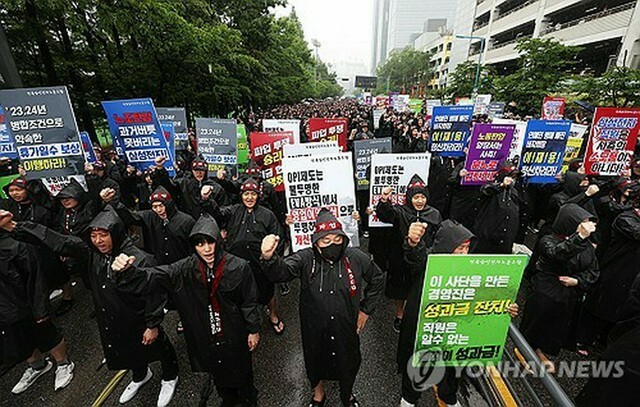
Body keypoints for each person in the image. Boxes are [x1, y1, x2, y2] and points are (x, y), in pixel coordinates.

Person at [2, 208, 179, 406]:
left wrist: (153, 324)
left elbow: (155, 294)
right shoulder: (91, 254)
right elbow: (58, 240)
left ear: (117, 233)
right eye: (93, 235)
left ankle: (170, 376)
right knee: (126, 348)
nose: (98, 240)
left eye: (104, 235)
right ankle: (140, 375)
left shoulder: (141, 258)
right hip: (111, 318)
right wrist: (14, 227)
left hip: (138, 317)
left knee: (158, 347)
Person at [111, 214, 261, 407]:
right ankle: (227, 398)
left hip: (234, 332)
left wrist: (254, 330)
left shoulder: (238, 267)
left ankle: (248, 399)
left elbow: (249, 302)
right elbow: (155, 276)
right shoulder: (185, 268)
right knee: (218, 372)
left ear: (218, 241)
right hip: (206, 334)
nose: (206, 249)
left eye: (210, 242)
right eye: (200, 244)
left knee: (241, 373)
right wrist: (127, 273)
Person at [260, 208, 385, 407]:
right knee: (315, 359)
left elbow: (377, 278)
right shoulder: (305, 258)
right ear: (315, 242)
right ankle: (318, 394)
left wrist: (365, 310)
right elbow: (281, 272)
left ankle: (348, 394)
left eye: (337, 239)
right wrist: (268, 257)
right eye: (325, 241)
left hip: (346, 325)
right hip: (314, 327)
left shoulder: (356, 258)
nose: (332, 245)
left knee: (348, 360)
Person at [397, 220, 519, 407]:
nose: (464, 253)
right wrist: (412, 242)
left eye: (467, 248)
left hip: (455, 329)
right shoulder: (429, 261)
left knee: (453, 365)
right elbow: (415, 256)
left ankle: (448, 396)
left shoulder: (471, 269)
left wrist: (503, 307)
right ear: (445, 246)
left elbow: (485, 295)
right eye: (459, 248)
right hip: (426, 327)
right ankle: (409, 399)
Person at [0, 210, 74, 395]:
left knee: (46, 335)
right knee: (19, 342)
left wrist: (40, 309)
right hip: (4, 310)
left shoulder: (17, 244)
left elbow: (36, 279)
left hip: (24, 304)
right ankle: (37, 366)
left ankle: (64, 363)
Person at [519, 203, 599, 372]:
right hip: (546, 290)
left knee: (552, 327)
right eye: (582, 222)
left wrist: (577, 281)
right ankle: (523, 351)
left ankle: (538, 350)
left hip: (568, 293)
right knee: (536, 323)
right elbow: (558, 254)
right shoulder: (548, 239)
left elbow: (593, 271)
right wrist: (578, 237)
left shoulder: (587, 245)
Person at [202, 177, 286, 335]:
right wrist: (207, 199)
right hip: (236, 265)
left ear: (258, 195)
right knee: (239, 293)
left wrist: (273, 262)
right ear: (241, 195)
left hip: (260, 265)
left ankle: (273, 315)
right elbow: (217, 213)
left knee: (267, 292)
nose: (249, 197)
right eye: (246, 194)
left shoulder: (268, 215)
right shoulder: (233, 210)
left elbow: (278, 237)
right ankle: (244, 321)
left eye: (253, 194)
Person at [376, 175, 442, 332]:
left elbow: (439, 236)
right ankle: (400, 315)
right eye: (416, 197)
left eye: (423, 197)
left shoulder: (434, 214)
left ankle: (419, 314)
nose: (420, 201)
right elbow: (385, 214)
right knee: (400, 289)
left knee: (421, 288)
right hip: (400, 257)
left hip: (424, 257)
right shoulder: (400, 211)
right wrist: (384, 200)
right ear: (409, 198)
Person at [473, 164, 521, 254]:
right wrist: (501, 185)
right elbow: (486, 190)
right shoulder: (491, 188)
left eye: (514, 177)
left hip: (505, 241)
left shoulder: (514, 192)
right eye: (510, 176)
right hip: (488, 241)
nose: (512, 180)